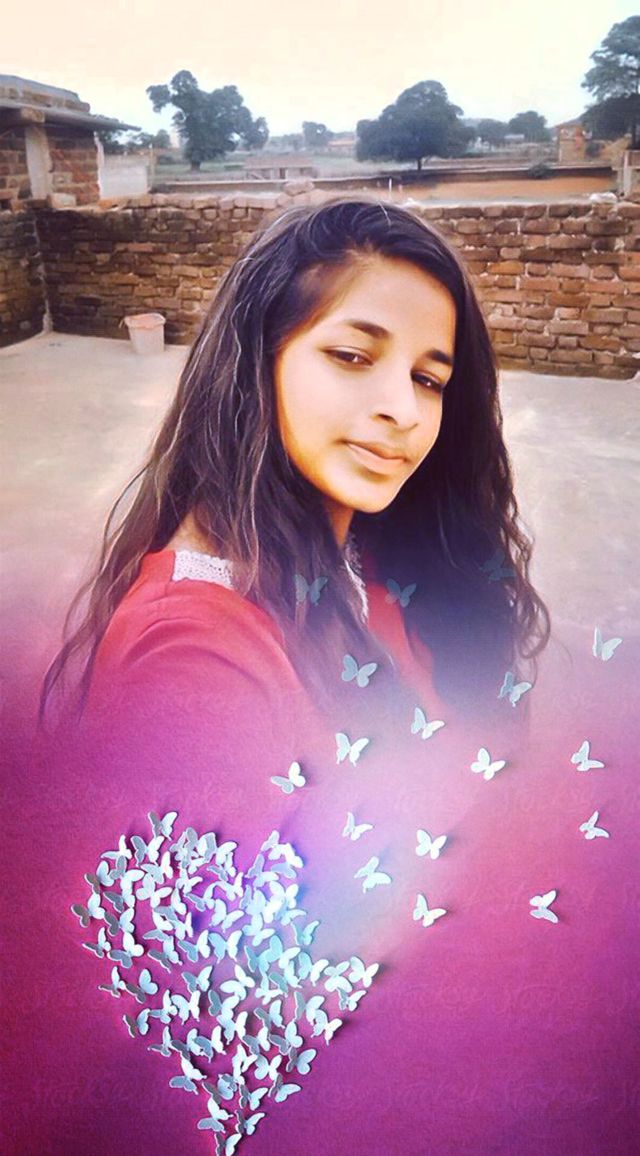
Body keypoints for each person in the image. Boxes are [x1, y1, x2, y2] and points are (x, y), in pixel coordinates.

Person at [39, 196, 581, 1156]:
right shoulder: (196, 658)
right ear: (258, 361)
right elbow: (203, 1042)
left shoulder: (359, 555)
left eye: (430, 377)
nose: (403, 409)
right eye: (353, 355)